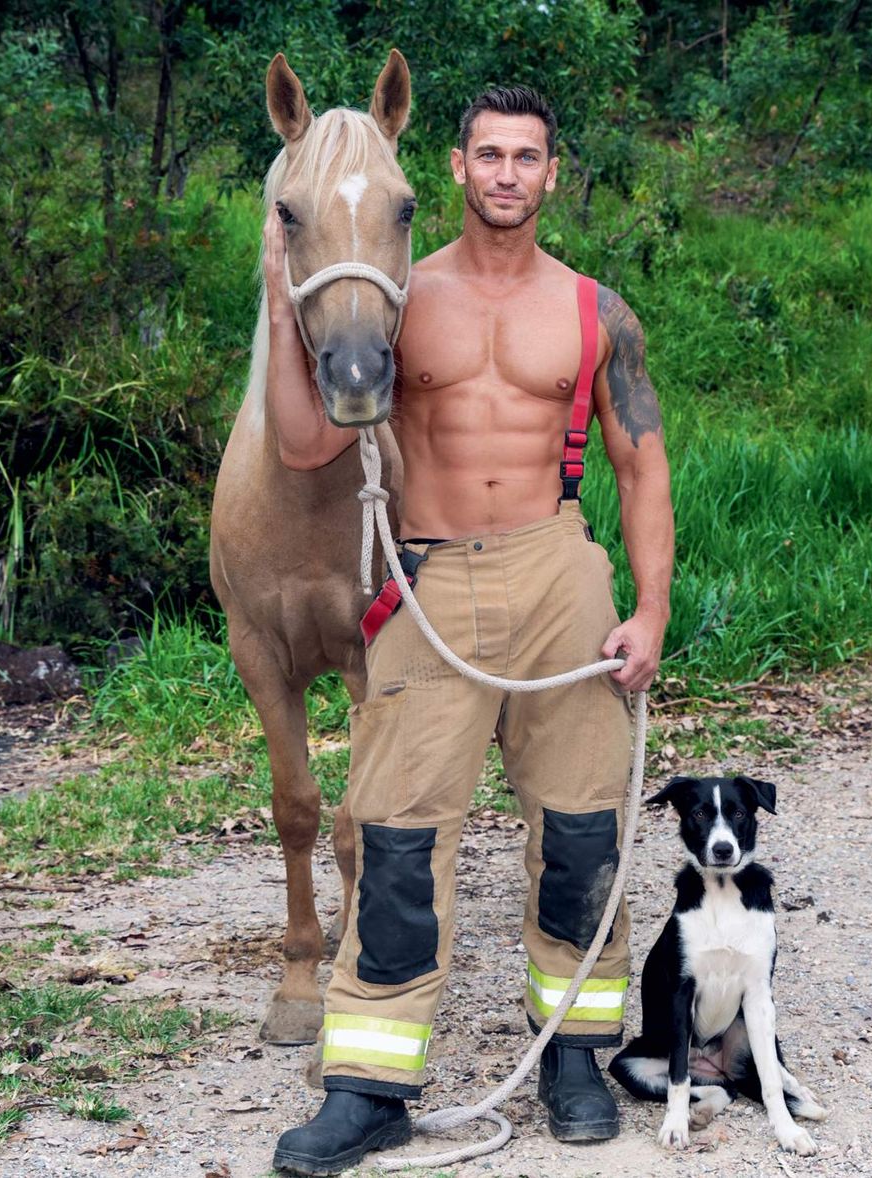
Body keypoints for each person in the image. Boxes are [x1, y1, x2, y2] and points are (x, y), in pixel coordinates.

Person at [269, 85, 674, 1176]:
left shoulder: (596, 311)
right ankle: (368, 1088)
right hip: (429, 571)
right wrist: (278, 302)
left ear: (551, 173)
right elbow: (307, 446)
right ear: (453, 168)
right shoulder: (396, 295)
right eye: (486, 154)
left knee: (583, 831)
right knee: (397, 837)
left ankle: (572, 1056)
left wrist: (646, 607)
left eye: (525, 156)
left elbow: (639, 465)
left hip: (556, 568)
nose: (504, 173)